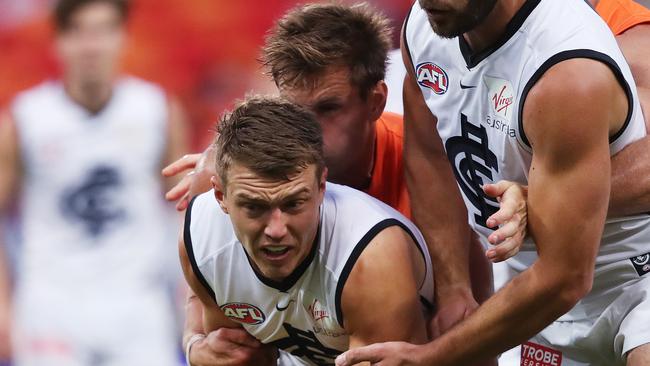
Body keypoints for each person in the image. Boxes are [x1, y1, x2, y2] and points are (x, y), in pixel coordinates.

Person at [163, 5, 527, 364]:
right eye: (294, 110)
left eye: (328, 109)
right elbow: (209, 281)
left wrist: (523, 201)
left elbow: (471, 319)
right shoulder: (231, 181)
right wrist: (194, 340)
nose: (306, 131)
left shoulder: (442, 173)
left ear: (376, 102)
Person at [335, 0, 650, 365]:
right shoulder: (426, 29)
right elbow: (430, 150)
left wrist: (427, 358)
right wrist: (454, 287)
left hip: (632, 281)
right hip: (526, 289)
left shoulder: (568, 67)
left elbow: (565, 277)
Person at [179, 95, 433, 366]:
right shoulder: (202, 235)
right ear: (221, 196)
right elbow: (233, 355)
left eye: (293, 204)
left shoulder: (370, 258)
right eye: (254, 207)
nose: (276, 230)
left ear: (322, 187)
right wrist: (194, 344)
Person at [0, 0, 188, 364]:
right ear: (57, 40)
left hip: (138, 302)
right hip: (51, 302)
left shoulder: (156, 111)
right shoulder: (25, 119)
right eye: (78, 32)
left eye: (103, 30)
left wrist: (190, 296)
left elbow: (184, 212)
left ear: (122, 37)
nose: (91, 45)